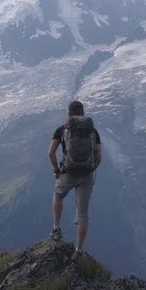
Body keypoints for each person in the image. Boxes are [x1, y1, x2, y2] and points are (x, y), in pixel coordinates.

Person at [48, 100, 101, 259]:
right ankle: (78, 251)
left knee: (58, 195)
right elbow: (99, 156)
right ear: (83, 112)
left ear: (69, 113)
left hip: (68, 173)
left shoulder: (62, 129)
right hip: (87, 175)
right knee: (83, 214)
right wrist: (91, 169)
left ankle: (56, 228)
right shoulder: (93, 131)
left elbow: (51, 153)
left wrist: (57, 170)